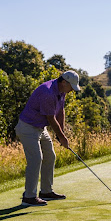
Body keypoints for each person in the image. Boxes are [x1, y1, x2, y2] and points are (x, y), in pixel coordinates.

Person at [15, 70, 80, 206]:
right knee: (36, 159)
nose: (71, 91)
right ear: (64, 82)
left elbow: (60, 111)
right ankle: (29, 197)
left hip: (40, 128)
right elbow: (51, 118)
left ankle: (46, 191)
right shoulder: (48, 92)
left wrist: (61, 133)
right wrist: (61, 137)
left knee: (50, 156)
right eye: (71, 87)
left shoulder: (61, 91)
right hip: (28, 127)